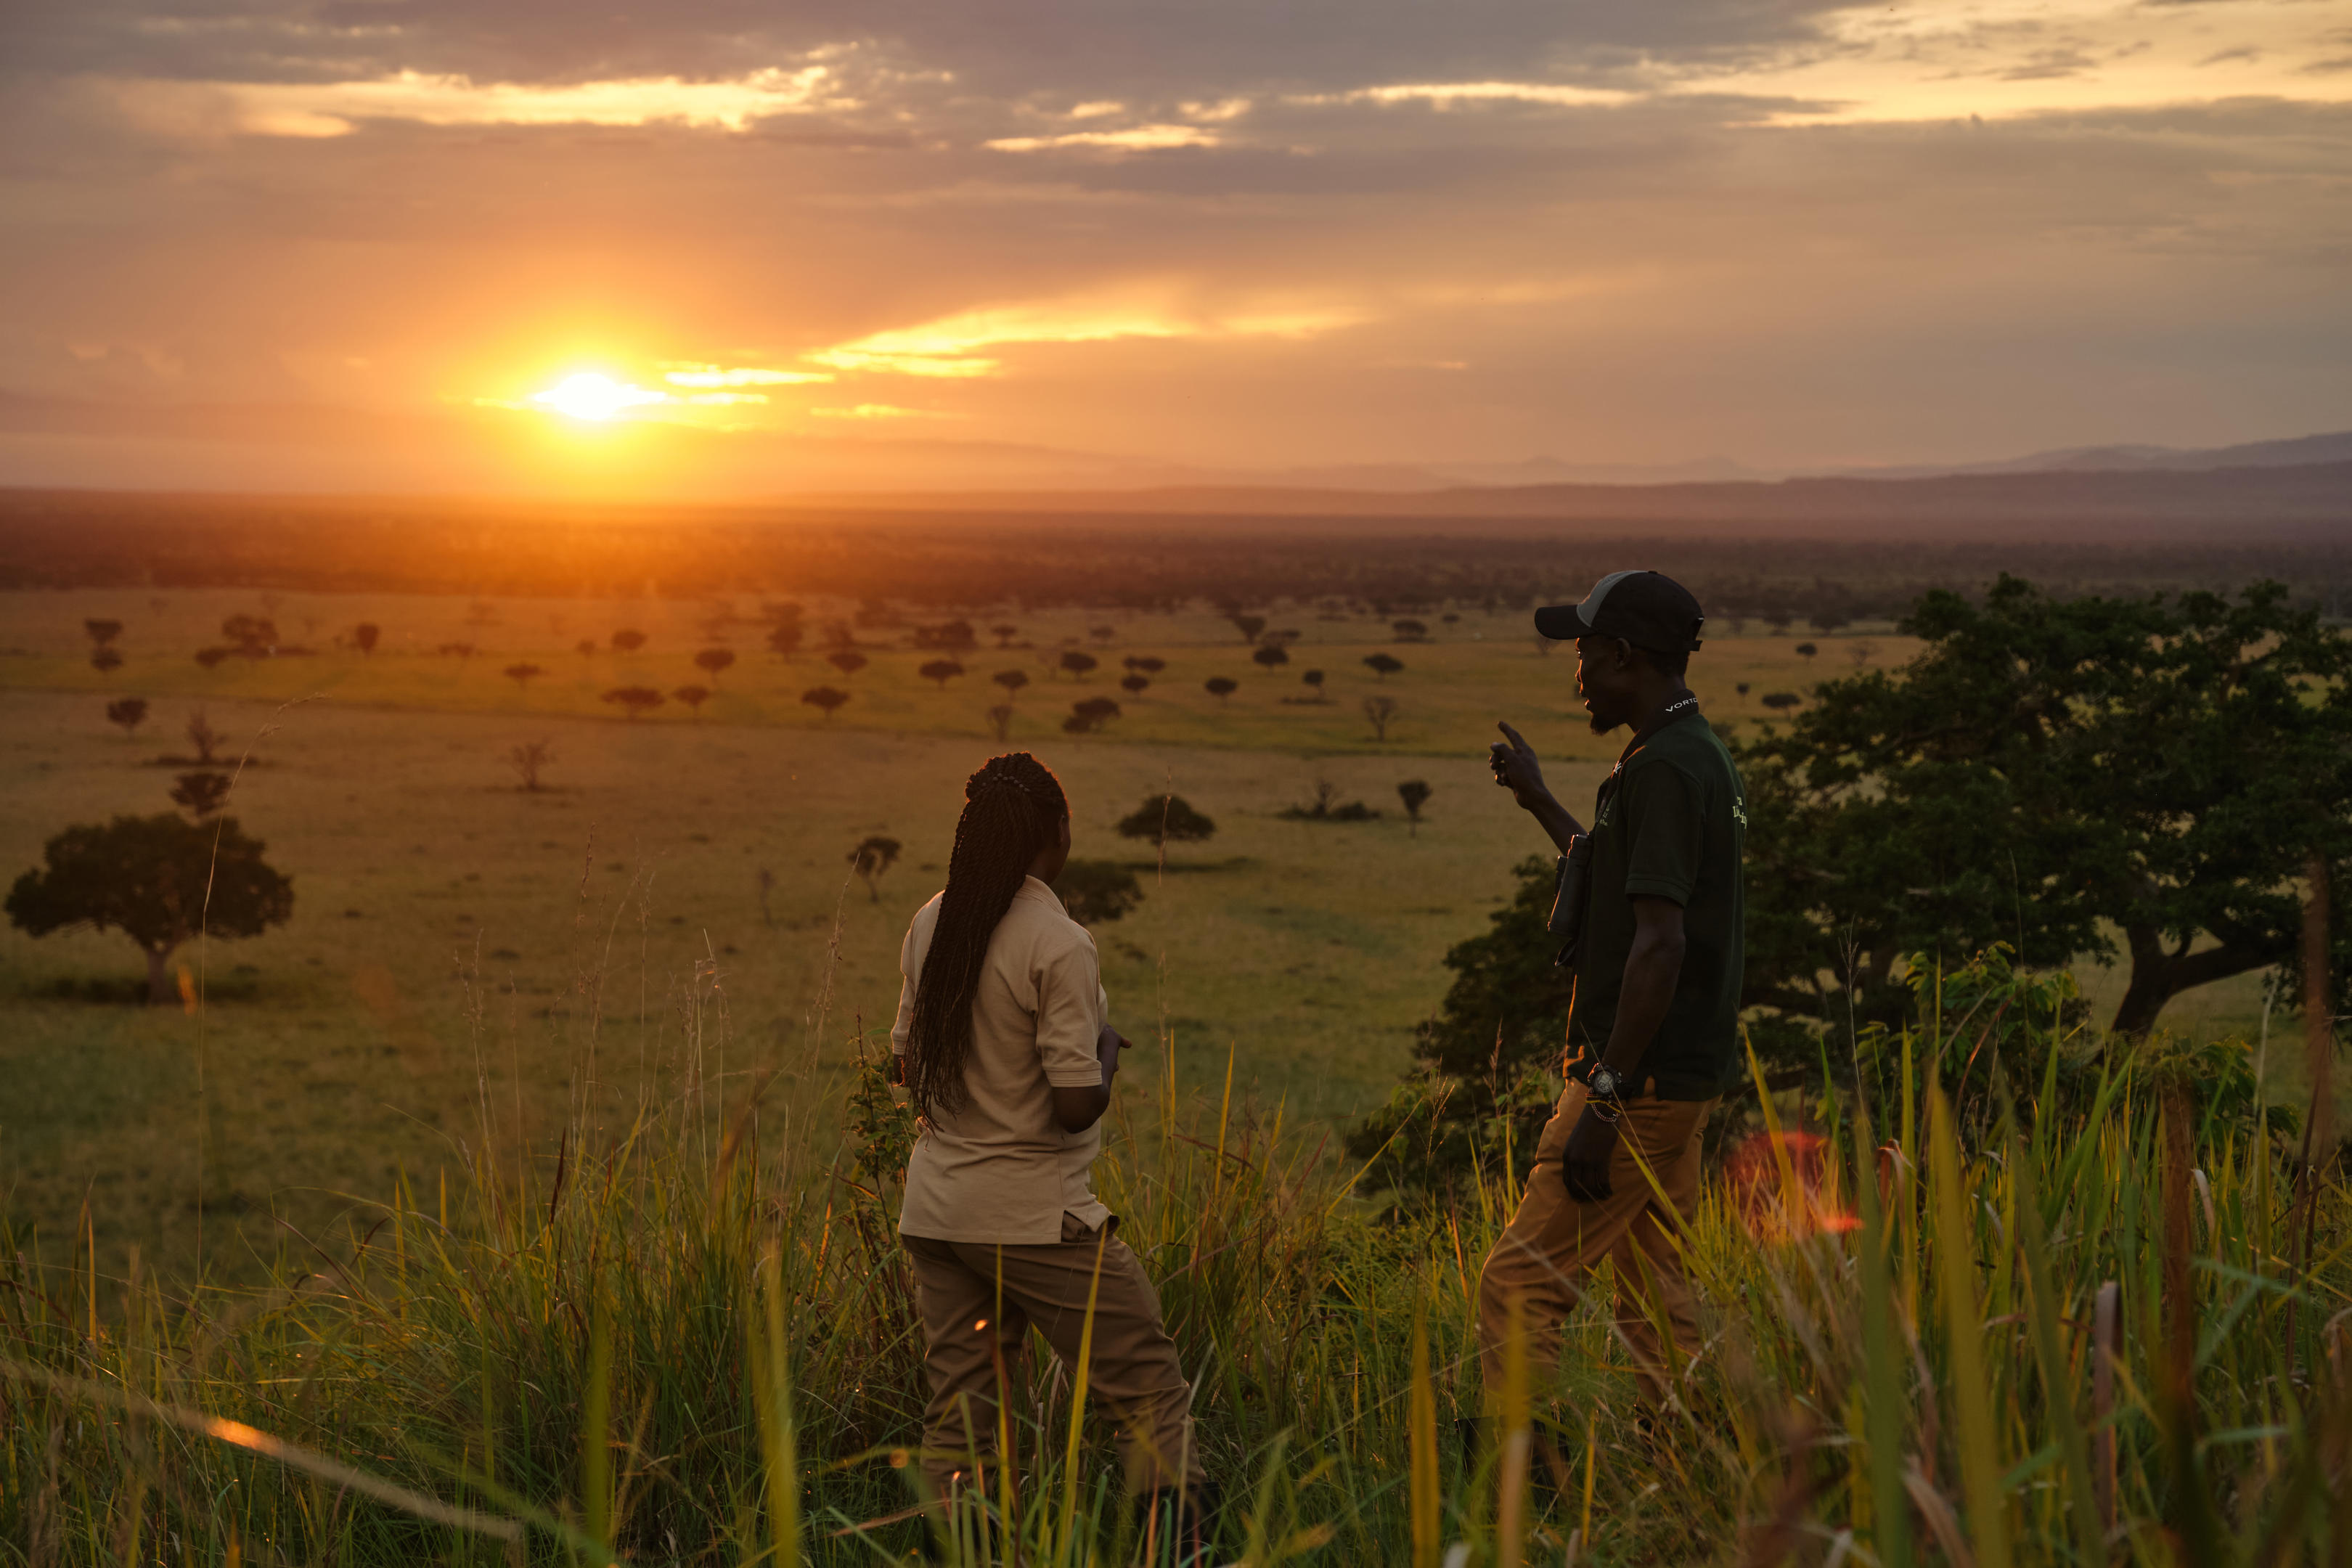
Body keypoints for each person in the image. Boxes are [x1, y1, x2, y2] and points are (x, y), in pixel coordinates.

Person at [890, 751, 1209, 1552]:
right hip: (1031, 1213)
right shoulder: (1058, 940)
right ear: (1058, 833)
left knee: (961, 1414)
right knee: (1146, 1388)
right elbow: (1074, 1109)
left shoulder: (933, 919)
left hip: (936, 1208)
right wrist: (1103, 1049)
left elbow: (904, 1066)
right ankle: (1181, 1551)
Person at [1477, 570, 1747, 1418]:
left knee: (1516, 1286)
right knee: (1656, 1292)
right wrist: (1541, 801)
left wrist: (1604, 1095)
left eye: (1586, 654)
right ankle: (1691, 1479)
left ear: (1625, 656)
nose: (1579, 674)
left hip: (1639, 1082)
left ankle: (1518, 1494)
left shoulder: (1664, 770)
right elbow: (1625, 884)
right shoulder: (1685, 751)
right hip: (1679, 1077)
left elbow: (1660, 946)